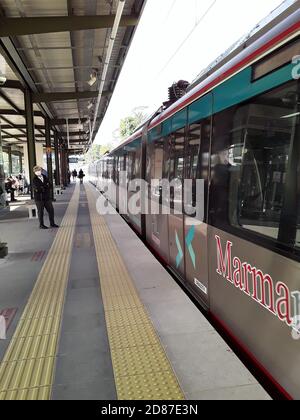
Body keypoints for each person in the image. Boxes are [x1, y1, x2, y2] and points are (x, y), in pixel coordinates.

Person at [32, 166, 59, 230]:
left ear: (41, 170)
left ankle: (52, 223)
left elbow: (50, 186)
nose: (38, 172)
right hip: (39, 199)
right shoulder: (34, 179)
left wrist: (43, 187)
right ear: (34, 172)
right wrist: (45, 186)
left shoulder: (45, 177)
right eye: (36, 171)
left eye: (39, 170)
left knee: (51, 210)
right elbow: (38, 189)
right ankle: (41, 225)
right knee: (40, 212)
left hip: (47, 198)